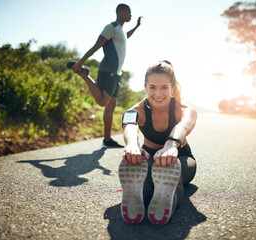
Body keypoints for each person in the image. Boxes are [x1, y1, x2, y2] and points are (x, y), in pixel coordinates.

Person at [118, 60, 197, 225]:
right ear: (145, 87)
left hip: (180, 158)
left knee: (172, 172)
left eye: (164, 87)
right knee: (147, 183)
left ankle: (168, 198)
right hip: (149, 157)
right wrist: (132, 145)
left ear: (172, 88)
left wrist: (171, 145)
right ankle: (138, 196)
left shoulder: (185, 110)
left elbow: (184, 125)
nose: (158, 93)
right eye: (152, 87)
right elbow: (129, 124)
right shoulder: (137, 110)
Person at [67, 3, 142, 148]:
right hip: (108, 70)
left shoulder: (120, 30)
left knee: (111, 104)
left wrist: (137, 26)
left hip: (117, 72)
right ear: (121, 12)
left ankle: (107, 140)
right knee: (102, 102)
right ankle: (84, 74)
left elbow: (126, 37)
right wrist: (79, 63)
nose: (131, 16)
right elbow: (96, 46)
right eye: (129, 13)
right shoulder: (111, 28)